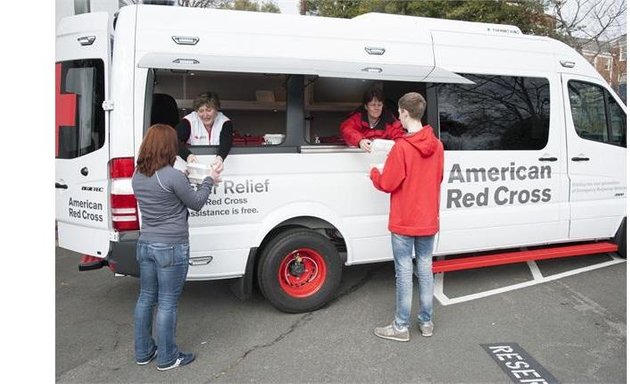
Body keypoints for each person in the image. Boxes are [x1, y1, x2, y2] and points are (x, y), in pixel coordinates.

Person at [132, 124, 220, 370]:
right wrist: (208, 180)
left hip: (146, 244)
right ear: (168, 147)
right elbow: (197, 202)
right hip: (171, 246)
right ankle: (168, 358)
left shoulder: (137, 175)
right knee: (167, 302)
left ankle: (143, 352)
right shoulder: (171, 175)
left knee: (145, 298)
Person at [369, 92, 444, 342]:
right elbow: (438, 177)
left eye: (399, 113)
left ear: (404, 113)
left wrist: (374, 174)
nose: (398, 118)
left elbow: (388, 183)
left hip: (404, 220)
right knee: (425, 268)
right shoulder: (438, 146)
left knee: (403, 271)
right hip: (428, 219)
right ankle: (426, 322)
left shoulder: (402, 147)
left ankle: (401, 326)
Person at [176, 91, 233, 172]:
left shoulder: (224, 122)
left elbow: (226, 142)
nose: (205, 115)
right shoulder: (189, 121)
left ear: (216, 109)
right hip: (195, 168)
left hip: (217, 169)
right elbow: (173, 140)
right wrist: (188, 156)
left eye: (208, 110)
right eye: (201, 111)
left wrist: (220, 158)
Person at [339, 86, 405, 152]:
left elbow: (400, 138)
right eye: (373, 105)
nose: (376, 108)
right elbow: (346, 129)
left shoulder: (390, 121)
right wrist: (360, 140)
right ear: (366, 107)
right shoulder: (357, 118)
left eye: (379, 105)